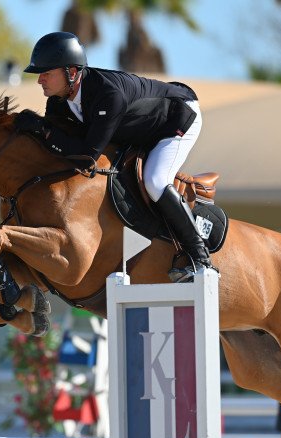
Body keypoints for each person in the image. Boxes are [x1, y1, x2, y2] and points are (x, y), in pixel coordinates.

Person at [15, 31, 215, 283]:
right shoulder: (59, 99)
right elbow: (57, 144)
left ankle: (201, 258)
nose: (39, 80)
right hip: (138, 128)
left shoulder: (107, 94)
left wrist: (42, 130)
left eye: (46, 73)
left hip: (177, 119)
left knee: (154, 180)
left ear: (72, 72)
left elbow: (86, 157)